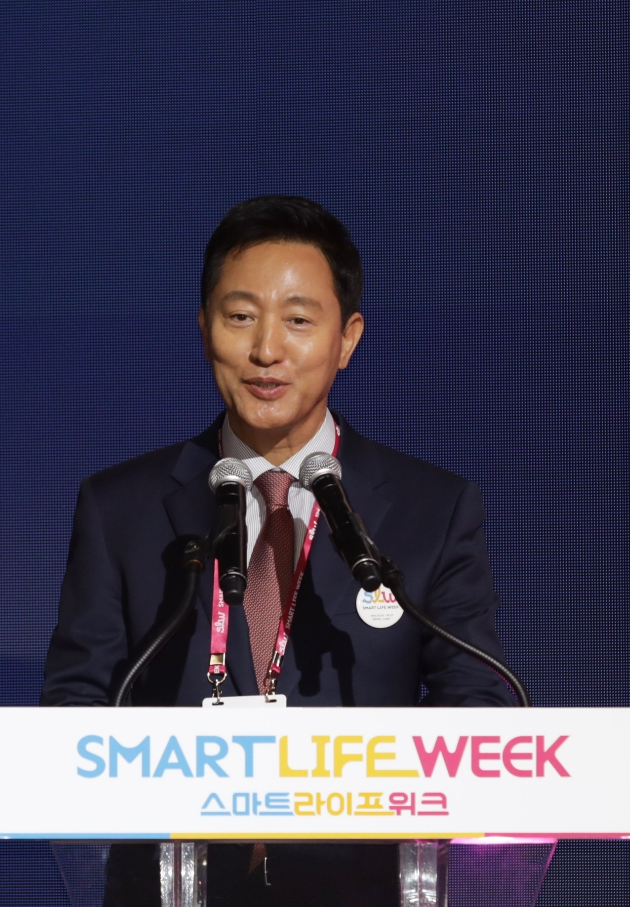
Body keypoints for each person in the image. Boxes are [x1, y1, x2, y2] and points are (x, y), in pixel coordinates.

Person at [41, 195, 514, 906]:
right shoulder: (122, 508)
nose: (267, 349)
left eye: (298, 320)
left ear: (348, 338)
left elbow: (475, 702)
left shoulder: (432, 510)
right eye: (240, 317)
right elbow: (76, 706)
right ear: (203, 329)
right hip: (168, 887)